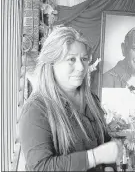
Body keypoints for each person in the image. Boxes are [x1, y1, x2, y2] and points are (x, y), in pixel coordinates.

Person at [19, 26, 122, 171]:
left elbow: (105, 143)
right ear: (51, 62)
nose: (81, 67)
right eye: (71, 59)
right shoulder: (36, 109)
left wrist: (109, 167)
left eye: (84, 59)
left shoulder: (92, 100)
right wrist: (93, 157)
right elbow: (40, 167)